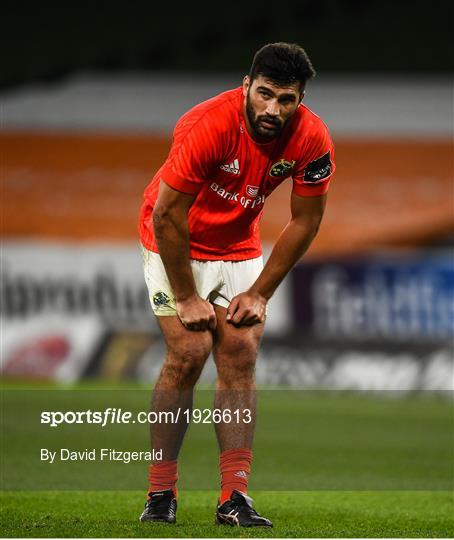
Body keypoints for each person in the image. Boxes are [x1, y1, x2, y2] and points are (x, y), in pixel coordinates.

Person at [138, 42, 335, 527]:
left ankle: (234, 498)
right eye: (265, 94)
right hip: (173, 240)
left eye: (286, 99)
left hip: (238, 247)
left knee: (240, 353)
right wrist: (185, 295)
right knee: (188, 353)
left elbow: (305, 221)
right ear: (247, 85)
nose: (273, 109)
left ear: (300, 98)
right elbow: (167, 214)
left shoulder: (313, 139)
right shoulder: (208, 124)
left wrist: (260, 292)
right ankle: (161, 493)